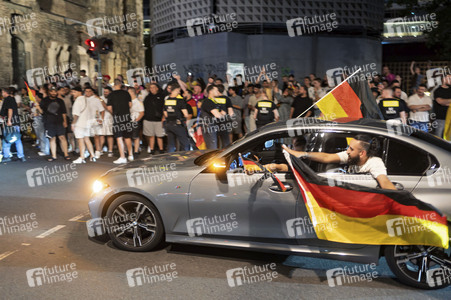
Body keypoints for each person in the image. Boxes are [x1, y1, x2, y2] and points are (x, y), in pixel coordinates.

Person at [282, 134, 396, 190]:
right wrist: (303, 154)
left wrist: (402, 203)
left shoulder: (375, 163)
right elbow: (326, 157)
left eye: (351, 149)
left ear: (362, 153)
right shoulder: (351, 156)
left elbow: (384, 182)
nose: (347, 151)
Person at [37, 85, 70, 161]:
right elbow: (42, 112)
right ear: (49, 92)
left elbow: (64, 112)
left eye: (55, 91)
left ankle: (66, 154)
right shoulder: (44, 101)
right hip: (49, 122)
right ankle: (54, 156)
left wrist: (65, 121)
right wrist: (38, 108)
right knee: (52, 138)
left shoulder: (60, 101)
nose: (53, 93)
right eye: (52, 91)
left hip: (59, 122)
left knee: (62, 137)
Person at [107, 79, 133, 164]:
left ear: (114, 85)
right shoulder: (126, 93)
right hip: (127, 117)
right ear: (121, 85)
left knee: (119, 137)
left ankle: (122, 157)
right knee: (127, 137)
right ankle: (130, 155)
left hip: (117, 118)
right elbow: (130, 105)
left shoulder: (111, 95)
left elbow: (109, 108)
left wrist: (114, 113)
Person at [200, 85, 234, 149]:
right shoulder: (208, 101)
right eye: (216, 90)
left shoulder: (214, 102)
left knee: (219, 144)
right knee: (212, 146)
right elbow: (218, 115)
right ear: (211, 91)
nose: (218, 92)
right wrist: (222, 114)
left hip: (215, 126)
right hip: (209, 126)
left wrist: (221, 114)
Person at [71, 86, 97, 164]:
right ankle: (92, 155)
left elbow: (76, 114)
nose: (73, 93)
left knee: (80, 140)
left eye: (74, 92)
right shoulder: (86, 99)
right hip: (87, 123)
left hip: (79, 123)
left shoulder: (78, 100)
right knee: (86, 139)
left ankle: (82, 157)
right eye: (72, 92)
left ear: (79, 92)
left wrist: (73, 123)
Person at [163, 82, 190, 152]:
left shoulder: (167, 100)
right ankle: (186, 160)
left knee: (171, 144)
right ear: (176, 90)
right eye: (178, 90)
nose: (179, 91)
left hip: (168, 124)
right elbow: (186, 114)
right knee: (185, 143)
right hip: (178, 124)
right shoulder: (180, 101)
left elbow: (165, 113)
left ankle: (171, 160)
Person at [0, 87, 25, 162]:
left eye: (2, 92)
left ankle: (6, 156)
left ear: (4, 92)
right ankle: (21, 156)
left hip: (11, 123)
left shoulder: (8, 99)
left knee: (7, 139)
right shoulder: (12, 99)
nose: (1, 94)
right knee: (17, 139)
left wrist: (9, 120)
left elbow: (10, 109)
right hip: (15, 122)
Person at [143, 83, 165, 154]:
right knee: (151, 136)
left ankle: (161, 150)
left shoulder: (162, 97)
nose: (152, 89)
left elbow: (164, 108)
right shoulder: (147, 97)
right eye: (150, 87)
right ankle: (152, 150)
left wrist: (163, 117)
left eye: (153, 87)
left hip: (159, 120)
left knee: (159, 136)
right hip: (148, 119)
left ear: (157, 88)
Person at [433, 74, 451, 138]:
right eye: (449, 78)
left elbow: (443, 102)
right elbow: (440, 101)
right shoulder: (438, 91)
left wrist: (446, 102)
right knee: (438, 137)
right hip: (440, 118)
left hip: (450, 119)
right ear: (443, 79)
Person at [128, 87, 145, 156]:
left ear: (132, 92)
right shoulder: (128, 102)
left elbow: (142, 112)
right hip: (129, 120)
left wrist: (137, 120)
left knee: (135, 136)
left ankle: (136, 151)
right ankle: (130, 150)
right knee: (129, 136)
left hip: (135, 120)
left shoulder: (138, 102)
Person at [99, 86, 114, 157]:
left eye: (107, 92)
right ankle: (100, 150)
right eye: (104, 92)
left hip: (110, 118)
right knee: (101, 135)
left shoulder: (113, 98)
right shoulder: (100, 98)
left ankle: (110, 151)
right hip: (102, 118)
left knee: (109, 135)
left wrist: (102, 101)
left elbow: (109, 109)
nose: (105, 93)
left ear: (110, 92)